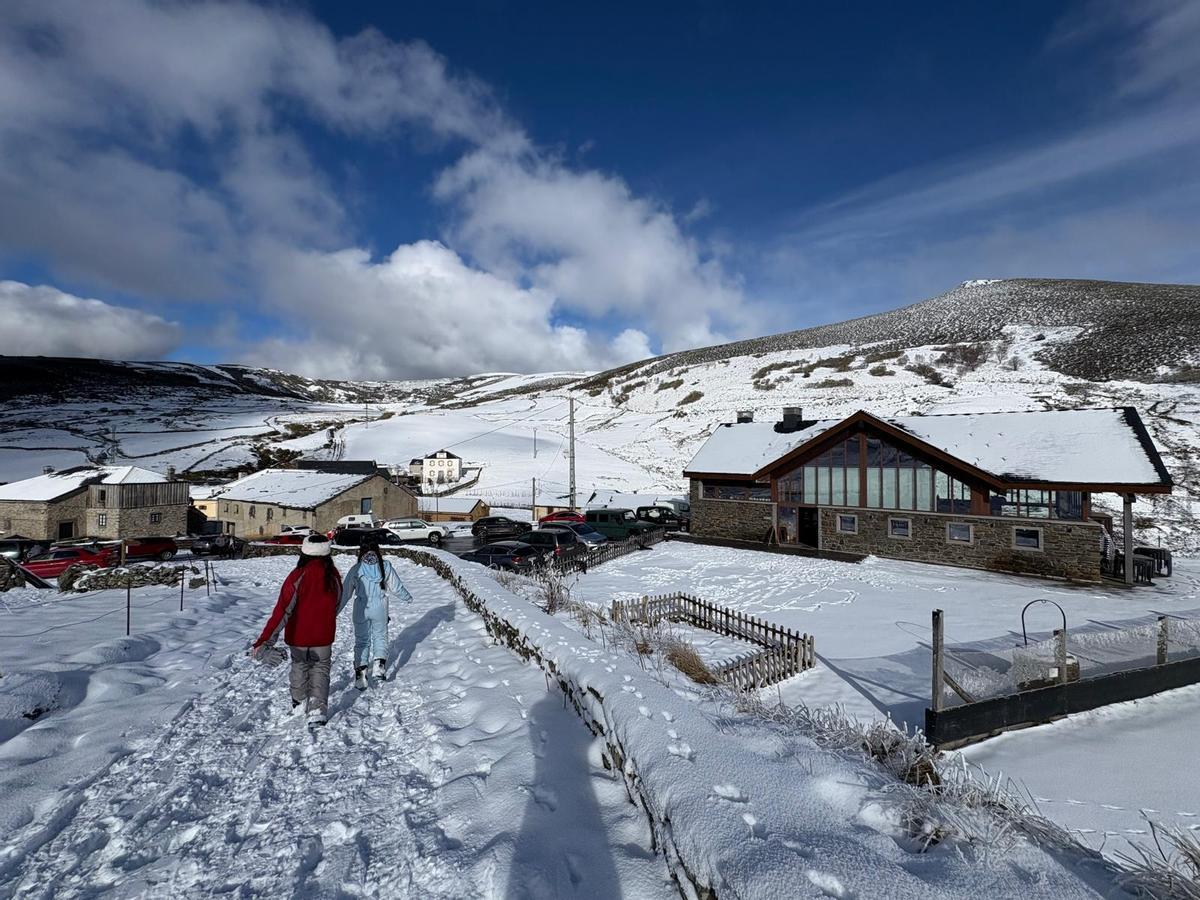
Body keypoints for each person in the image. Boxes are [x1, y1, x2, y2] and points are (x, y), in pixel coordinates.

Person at [250, 534, 343, 727]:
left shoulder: (297, 576)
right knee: (320, 669)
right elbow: (337, 603)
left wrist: (264, 641)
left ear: (304, 552)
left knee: (299, 666)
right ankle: (317, 711)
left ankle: (299, 701)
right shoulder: (333, 576)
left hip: (298, 635)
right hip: (323, 635)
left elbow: (282, 611)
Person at [339, 540, 412, 690]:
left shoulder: (356, 569)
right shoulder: (385, 566)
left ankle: (361, 674)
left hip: (361, 608)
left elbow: (345, 593)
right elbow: (396, 587)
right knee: (380, 637)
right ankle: (379, 668)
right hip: (380, 608)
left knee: (362, 640)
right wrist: (407, 597)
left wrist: (334, 610)